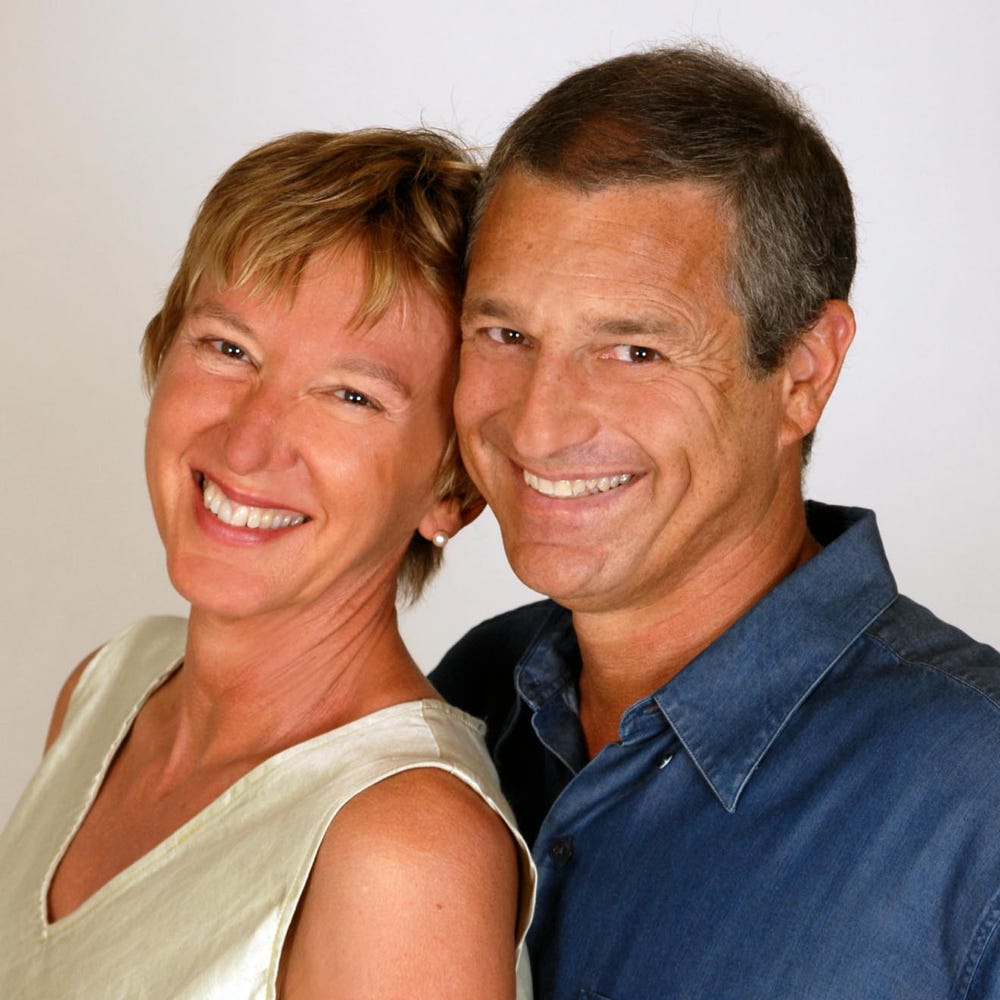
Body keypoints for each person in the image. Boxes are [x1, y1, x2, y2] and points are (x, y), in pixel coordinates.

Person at [432, 45, 1000, 999]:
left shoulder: (979, 805)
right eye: (507, 334)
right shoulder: (477, 693)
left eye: (634, 350)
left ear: (804, 373)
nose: (536, 425)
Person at [0, 128, 534, 998]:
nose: (247, 443)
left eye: (351, 395)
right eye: (228, 348)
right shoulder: (108, 688)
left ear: (453, 490)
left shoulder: (404, 848)